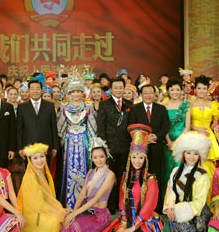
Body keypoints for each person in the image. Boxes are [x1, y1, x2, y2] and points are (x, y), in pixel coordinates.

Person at [89, 124, 177, 232]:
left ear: (145, 159)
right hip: (127, 218)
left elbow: (148, 207)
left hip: (144, 220)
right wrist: (124, 222)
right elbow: (121, 200)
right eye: (134, 157)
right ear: (129, 158)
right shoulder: (125, 177)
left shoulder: (151, 180)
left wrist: (132, 227)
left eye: (141, 158)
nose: (137, 161)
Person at [58, 138, 115, 232]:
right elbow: (82, 193)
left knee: (73, 226)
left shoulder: (110, 175)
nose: (98, 160)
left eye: (101, 157)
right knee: (64, 221)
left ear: (106, 156)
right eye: (95, 157)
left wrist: (74, 215)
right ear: (92, 159)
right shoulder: (90, 172)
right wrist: (73, 212)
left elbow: (96, 199)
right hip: (86, 210)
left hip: (99, 216)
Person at [12, 143, 66, 232]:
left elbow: (48, 198)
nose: (40, 160)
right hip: (33, 213)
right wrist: (56, 210)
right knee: (55, 220)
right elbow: (37, 204)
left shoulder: (43, 173)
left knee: (62, 214)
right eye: (35, 158)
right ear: (30, 160)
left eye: (42, 156)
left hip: (42, 208)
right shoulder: (30, 177)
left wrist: (57, 209)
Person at [163, 132, 212, 232]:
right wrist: (169, 207)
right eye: (188, 152)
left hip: (197, 211)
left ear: (200, 155)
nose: (192, 156)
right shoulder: (175, 171)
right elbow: (170, 191)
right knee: (172, 218)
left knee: (184, 225)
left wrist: (182, 211)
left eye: (196, 153)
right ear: (182, 153)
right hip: (178, 207)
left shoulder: (203, 175)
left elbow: (199, 201)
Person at [57, 74, 97, 209]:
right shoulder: (64, 108)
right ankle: (70, 203)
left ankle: (84, 203)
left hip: (83, 142)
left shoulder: (88, 107)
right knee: (69, 170)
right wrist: (61, 142)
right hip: (69, 144)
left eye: (78, 91)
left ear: (82, 93)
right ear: (69, 93)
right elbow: (60, 128)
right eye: (73, 92)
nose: (76, 94)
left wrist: (93, 145)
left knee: (85, 169)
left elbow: (92, 128)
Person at [128, 84, 170, 209]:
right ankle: (140, 204)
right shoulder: (135, 109)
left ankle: (156, 206)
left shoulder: (161, 108)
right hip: (140, 151)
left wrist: (156, 136)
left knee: (156, 177)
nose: (148, 95)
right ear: (141, 95)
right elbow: (131, 126)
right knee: (140, 176)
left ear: (154, 95)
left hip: (157, 147)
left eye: (150, 93)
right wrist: (144, 139)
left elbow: (166, 126)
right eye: (145, 93)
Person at [97, 77, 132, 212]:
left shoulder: (129, 104)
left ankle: (122, 204)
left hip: (125, 146)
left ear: (124, 88)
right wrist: (105, 145)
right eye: (115, 87)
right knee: (109, 177)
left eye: (120, 87)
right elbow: (101, 126)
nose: (118, 90)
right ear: (111, 89)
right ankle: (110, 205)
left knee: (123, 176)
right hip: (110, 147)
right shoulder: (104, 105)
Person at [190, 75, 219, 186]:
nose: (201, 91)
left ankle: (210, 199)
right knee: (194, 164)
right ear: (194, 90)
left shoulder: (212, 105)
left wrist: (209, 129)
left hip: (208, 136)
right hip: (194, 135)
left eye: (204, 88)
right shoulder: (189, 104)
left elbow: (215, 123)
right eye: (199, 88)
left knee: (209, 166)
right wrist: (198, 129)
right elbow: (187, 124)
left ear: (207, 89)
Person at [162, 79, 190, 201]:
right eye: (172, 89)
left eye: (177, 89)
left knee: (180, 170)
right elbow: (163, 126)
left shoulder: (186, 105)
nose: (175, 92)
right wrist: (169, 142)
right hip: (167, 141)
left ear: (181, 91)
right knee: (167, 169)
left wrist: (176, 142)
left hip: (182, 141)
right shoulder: (164, 106)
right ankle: (167, 201)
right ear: (168, 91)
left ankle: (180, 200)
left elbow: (187, 126)